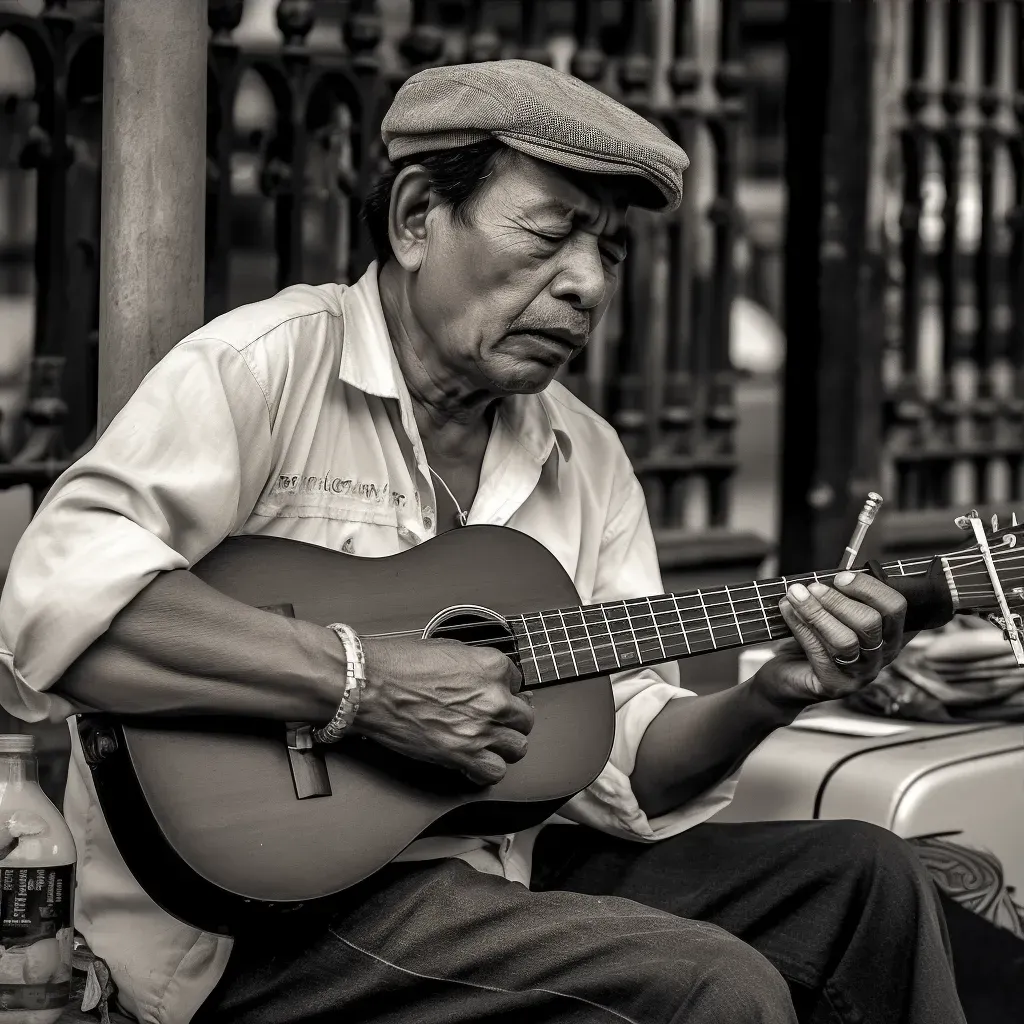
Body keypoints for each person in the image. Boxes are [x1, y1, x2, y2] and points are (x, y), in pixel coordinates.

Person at [0, 60, 965, 1024]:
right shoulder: (263, 370)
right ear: (417, 217)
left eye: (610, 252)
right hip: (268, 922)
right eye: (551, 235)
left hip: (503, 875)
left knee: (867, 880)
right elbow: (56, 601)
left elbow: (622, 754)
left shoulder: (584, 454)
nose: (586, 284)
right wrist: (364, 683)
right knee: (712, 984)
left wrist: (769, 695)